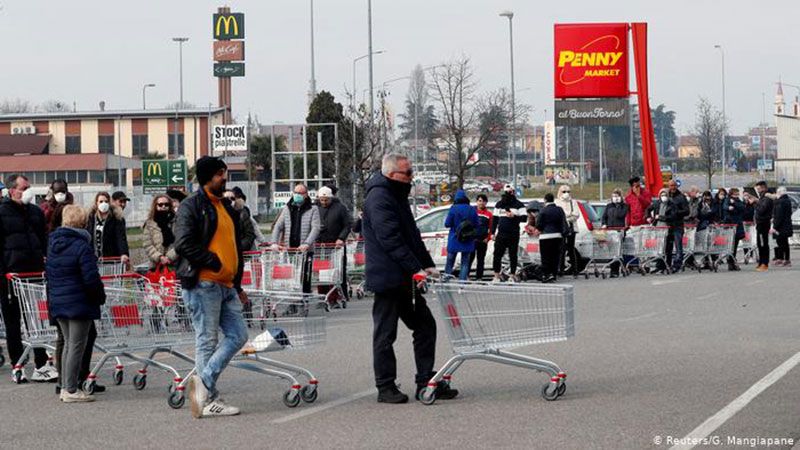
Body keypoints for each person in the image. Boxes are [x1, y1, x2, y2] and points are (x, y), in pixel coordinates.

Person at [363, 153, 456, 404]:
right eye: (408, 173)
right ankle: (385, 386)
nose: (412, 178)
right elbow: (390, 239)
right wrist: (416, 268)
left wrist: (426, 264)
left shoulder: (397, 194)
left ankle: (426, 380)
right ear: (392, 174)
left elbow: (412, 235)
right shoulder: (379, 197)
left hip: (404, 277)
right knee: (385, 334)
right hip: (387, 278)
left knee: (425, 325)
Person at [174, 156, 249, 418]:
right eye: (220, 173)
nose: (224, 177)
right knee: (207, 340)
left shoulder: (225, 208)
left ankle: (202, 385)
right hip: (204, 283)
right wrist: (213, 261)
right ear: (208, 176)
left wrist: (237, 283)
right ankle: (209, 400)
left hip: (227, 285)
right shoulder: (191, 206)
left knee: (239, 335)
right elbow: (183, 243)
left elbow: (236, 246)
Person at [0, 174, 59, 383]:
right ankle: (18, 364)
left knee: (36, 321)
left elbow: (43, 241)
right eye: (24, 187)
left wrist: (46, 261)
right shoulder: (2, 212)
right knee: (13, 322)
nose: (28, 191)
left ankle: (41, 364)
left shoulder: (35, 212)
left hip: (33, 274)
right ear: (12, 190)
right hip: (10, 277)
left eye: (29, 187)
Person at [45, 205, 105, 403]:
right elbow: (90, 278)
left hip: (59, 300)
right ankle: (71, 389)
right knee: (77, 345)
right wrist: (99, 296)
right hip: (79, 301)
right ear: (82, 222)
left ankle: (64, 385)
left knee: (67, 344)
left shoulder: (53, 243)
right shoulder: (82, 246)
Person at [271, 183, 320, 293]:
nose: (297, 195)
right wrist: (274, 242)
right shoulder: (287, 208)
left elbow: (315, 228)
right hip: (291, 250)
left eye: (300, 193)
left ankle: (304, 300)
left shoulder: (313, 209)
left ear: (306, 195)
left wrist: (307, 243)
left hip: (305, 251)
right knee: (292, 277)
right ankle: (293, 303)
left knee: (305, 277)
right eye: (295, 193)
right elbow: (278, 226)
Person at [315, 186, 352, 300]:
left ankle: (339, 294)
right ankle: (323, 295)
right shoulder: (315, 208)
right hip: (320, 244)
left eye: (326, 200)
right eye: (322, 200)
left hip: (336, 245)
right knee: (321, 271)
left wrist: (341, 238)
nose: (324, 202)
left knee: (337, 271)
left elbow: (347, 225)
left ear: (331, 198)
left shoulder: (340, 208)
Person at [490, 184, 526, 282]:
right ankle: (496, 275)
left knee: (513, 255)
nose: (508, 194)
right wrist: (492, 233)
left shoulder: (519, 204)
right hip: (501, 233)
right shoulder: (499, 205)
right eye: (506, 192)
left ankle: (512, 275)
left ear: (513, 192)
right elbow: (495, 220)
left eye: (510, 192)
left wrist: (514, 216)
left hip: (513, 233)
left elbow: (524, 218)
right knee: (497, 254)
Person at [85, 192, 130, 266]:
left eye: (106, 201)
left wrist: (124, 253)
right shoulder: (90, 218)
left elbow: (121, 238)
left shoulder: (116, 218)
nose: (103, 204)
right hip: (94, 259)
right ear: (96, 203)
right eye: (101, 201)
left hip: (111, 259)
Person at [443, 190, 479, 281]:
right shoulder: (472, 209)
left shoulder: (453, 208)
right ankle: (462, 283)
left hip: (454, 238)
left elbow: (447, 223)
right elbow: (476, 224)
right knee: (465, 263)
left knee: (450, 262)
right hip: (468, 239)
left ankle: (447, 280)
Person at [535, 193, 568, 283]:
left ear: (545, 200)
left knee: (546, 257)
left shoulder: (543, 211)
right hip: (557, 236)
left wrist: (538, 230)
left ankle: (546, 274)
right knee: (555, 256)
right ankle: (553, 274)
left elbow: (539, 225)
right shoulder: (559, 210)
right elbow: (563, 221)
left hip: (545, 236)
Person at [142, 195, 178, 269]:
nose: (163, 206)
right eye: (160, 204)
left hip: (175, 264)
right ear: (155, 206)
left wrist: (169, 257)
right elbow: (147, 244)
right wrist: (160, 257)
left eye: (166, 204)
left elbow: (180, 242)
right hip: (156, 265)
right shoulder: (149, 224)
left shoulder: (177, 221)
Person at [601, 189, 629, 277]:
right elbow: (604, 216)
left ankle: (615, 271)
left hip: (619, 231)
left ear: (621, 197)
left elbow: (620, 215)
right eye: (614, 196)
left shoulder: (624, 206)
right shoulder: (609, 206)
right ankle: (612, 269)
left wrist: (618, 206)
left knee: (617, 251)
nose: (615, 198)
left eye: (617, 196)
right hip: (610, 231)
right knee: (611, 251)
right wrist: (604, 224)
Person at [555, 184, 581, 276]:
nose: (566, 193)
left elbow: (576, 214)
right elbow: (559, 214)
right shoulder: (557, 202)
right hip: (561, 228)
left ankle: (575, 269)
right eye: (564, 191)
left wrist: (567, 217)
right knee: (561, 248)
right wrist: (569, 215)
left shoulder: (573, 202)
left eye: (568, 192)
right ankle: (560, 269)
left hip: (571, 227)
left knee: (571, 248)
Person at [469, 194, 493, 280]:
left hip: (483, 240)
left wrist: (488, 238)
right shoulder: (472, 211)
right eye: (479, 201)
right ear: (476, 202)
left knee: (481, 260)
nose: (481, 203)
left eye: (483, 201)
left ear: (486, 202)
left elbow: (491, 228)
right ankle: (466, 276)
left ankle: (479, 277)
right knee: (469, 259)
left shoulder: (489, 214)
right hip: (472, 240)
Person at [722, 188, 745, 271]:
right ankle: (730, 261)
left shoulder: (737, 201)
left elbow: (742, 207)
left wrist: (734, 203)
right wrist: (729, 208)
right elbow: (725, 207)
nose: (737, 196)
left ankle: (733, 260)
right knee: (730, 244)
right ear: (731, 194)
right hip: (730, 225)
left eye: (737, 194)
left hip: (737, 225)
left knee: (735, 244)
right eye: (735, 194)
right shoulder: (727, 200)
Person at [753, 181, 774, 272]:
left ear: (763, 188)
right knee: (760, 243)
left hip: (763, 223)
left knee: (763, 244)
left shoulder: (767, 197)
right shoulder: (762, 197)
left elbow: (762, 209)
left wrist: (755, 203)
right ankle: (761, 262)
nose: (758, 191)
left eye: (759, 189)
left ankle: (764, 263)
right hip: (760, 223)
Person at [772, 186, 792, 267]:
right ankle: (782, 259)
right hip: (786, 225)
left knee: (781, 243)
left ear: (779, 193)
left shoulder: (781, 202)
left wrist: (775, 227)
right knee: (783, 243)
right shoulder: (787, 200)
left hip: (781, 226)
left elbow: (779, 216)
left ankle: (785, 259)